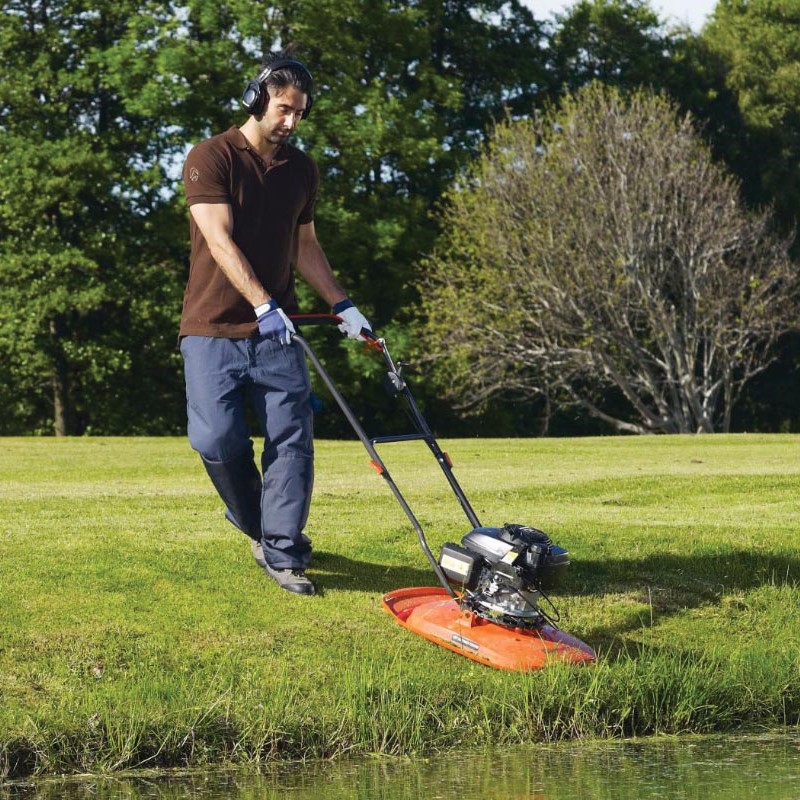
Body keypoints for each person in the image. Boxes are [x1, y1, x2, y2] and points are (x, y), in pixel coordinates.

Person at [179, 51, 370, 596]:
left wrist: (342, 304)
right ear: (257, 99)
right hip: (213, 328)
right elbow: (219, 240)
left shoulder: (302, 171)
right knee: (215, 439)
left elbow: (304, 247)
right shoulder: (211, 157)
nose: (291, 122)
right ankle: (251, 518)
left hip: (278, 333)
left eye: (300, 114)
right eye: (283, 109)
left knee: (293, 439)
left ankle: (284, 554)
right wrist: (263, 305)